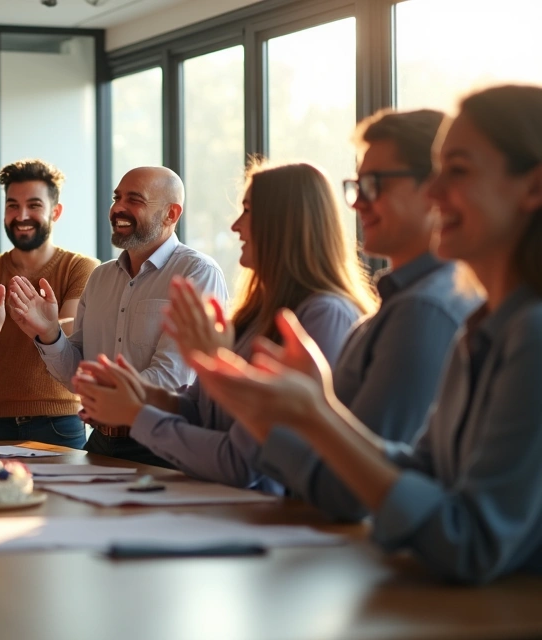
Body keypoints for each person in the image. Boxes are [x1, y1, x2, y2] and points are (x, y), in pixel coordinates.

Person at [186, 84, 542, 584]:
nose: (436, 194)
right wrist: (315, 412)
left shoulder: (524, 331)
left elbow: (470, 543)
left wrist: (314, 414)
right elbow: (420, 472)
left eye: (456, 172)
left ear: (533, 187)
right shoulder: (482, 327)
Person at [73, 162, 375, 490]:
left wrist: (135, 413)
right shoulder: (256, 313)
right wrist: (142, 394)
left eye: (247, 211)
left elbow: (242, 463)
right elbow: (202, 410)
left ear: (284, 223)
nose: (235, 226)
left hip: (276, 521)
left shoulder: (324, 314)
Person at [252, 110, 482, 511]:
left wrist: (266, 419)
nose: (358, 203)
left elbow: (353, 492)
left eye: (374, 184)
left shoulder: (422, 310)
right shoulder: (396, 306)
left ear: (435, 187)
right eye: (357, 185)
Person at [9, 166, 227, 465]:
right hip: (99, 442)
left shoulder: (197, 272)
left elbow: (174, 375)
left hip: (161, 446)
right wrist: (49, 334)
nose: (117, 208)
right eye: (117, 197)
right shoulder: (100, 277)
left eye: (134, 199)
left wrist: (103, 398)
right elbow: (78, 376)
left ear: (171, 214)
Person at [0, 159, 97, 448]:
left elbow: (70, 347)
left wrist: (44, 326)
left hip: (59, 423)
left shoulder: (80, 268)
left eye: (34, 205)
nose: (21, 215)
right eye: (12, 205)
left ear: (55, 212)